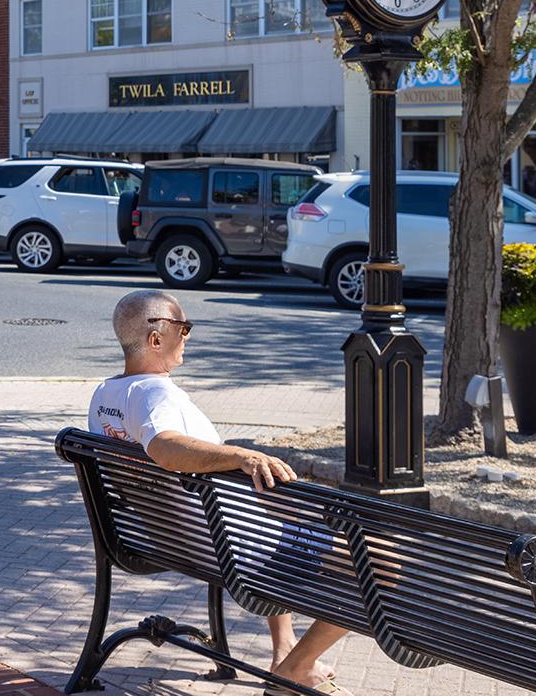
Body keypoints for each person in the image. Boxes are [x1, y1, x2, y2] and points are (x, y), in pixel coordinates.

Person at [90, 290, 352, 695]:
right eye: (184, 327)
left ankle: (284, 648)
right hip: (234, 551)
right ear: (156, 338)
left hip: (173, 541)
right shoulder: (157, 394)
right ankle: (295, 669)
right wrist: (243, 455)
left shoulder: (104, 397)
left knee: (282, 512)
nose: (188, 336)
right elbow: (164, 446)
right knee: (380, 561)